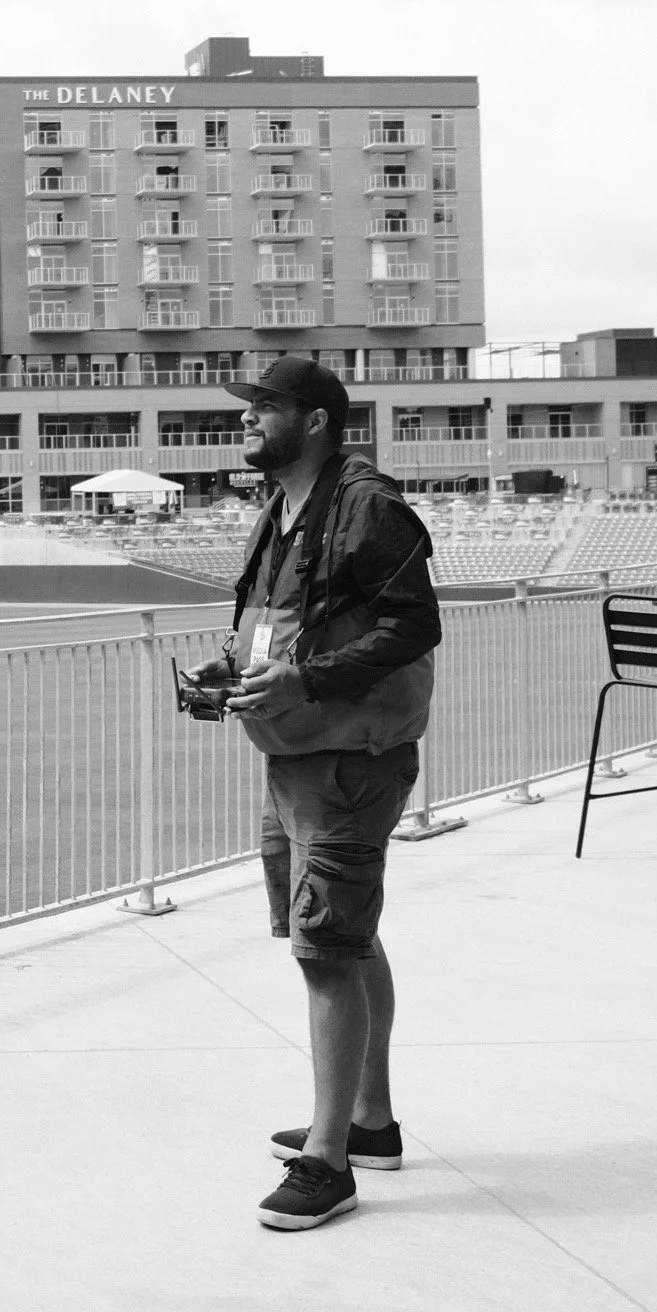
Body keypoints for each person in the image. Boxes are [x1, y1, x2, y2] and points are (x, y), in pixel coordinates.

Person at [222, 355, 440, 1231]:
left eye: (262, 407)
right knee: (346, 936)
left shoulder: (366, 505)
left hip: (349, 756)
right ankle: (368, 1121)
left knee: (323, 948)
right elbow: (283, 623)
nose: (246, 420)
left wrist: (303, 681)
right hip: (299, 753)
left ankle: (329, 1161)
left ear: (312, 420)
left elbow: (414, 622)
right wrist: (230, 672)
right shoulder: (285, 508)